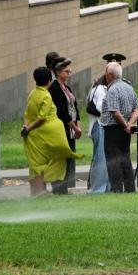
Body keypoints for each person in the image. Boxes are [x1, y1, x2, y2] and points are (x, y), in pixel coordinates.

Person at [22, 67, 83, 196]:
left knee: (36, 165)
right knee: (50, 162)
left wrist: (26, 127)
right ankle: (40, 194)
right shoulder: (46, 96)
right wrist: (29, 128)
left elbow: (27, 113)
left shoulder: (32, 93)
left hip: (34, 136)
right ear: (49, 80)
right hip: (47, 136)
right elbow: (42, 118)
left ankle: (38, 193)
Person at [101, 62, 138, 193]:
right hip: (125, 130)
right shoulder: (129, 87)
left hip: (113, 129)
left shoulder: (112, 90)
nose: (105, 76)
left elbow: (115, 112)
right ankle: (130, 188)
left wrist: (125, 125)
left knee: (113, 160)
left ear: (111, 75)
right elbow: (136, 110)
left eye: (106, 73)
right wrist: (129, 124)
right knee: (125, 158)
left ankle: (116, 190)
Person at [48, 58, 81, 195]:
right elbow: (62, 112)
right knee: (61, 158)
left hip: (71, 128)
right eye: (66, 71)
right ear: (58, 72)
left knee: (69, 157)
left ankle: (64, 187)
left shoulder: (67, 88)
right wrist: (74, 127)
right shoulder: (55, 89)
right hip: (62, 128)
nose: (69, 73)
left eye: (70, 71)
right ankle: (58, 188)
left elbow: (74, 107)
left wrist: (78, 124)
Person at [86, 74, 110, 194]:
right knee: (100, 159)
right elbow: (101, 108)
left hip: (97, 126)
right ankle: (98, 189)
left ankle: (103, 188)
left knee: (100, 158)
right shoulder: (101, 90)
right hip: (99, 125)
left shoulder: (97, 88)